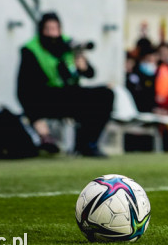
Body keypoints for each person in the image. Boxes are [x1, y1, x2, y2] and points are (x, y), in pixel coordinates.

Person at [16, 12, 113, 157]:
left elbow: (91, 74)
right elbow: (25, 89)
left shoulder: (70, 44)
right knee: (35, 95)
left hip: (70, 94)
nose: (53, 33)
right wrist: (36, 120)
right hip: (46, 98)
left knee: (105, 95)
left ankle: (88, 144)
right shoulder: (31, 49)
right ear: (41, 30)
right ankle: (47, 140)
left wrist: (83, 66)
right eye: (48, 29)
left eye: (56, 29)